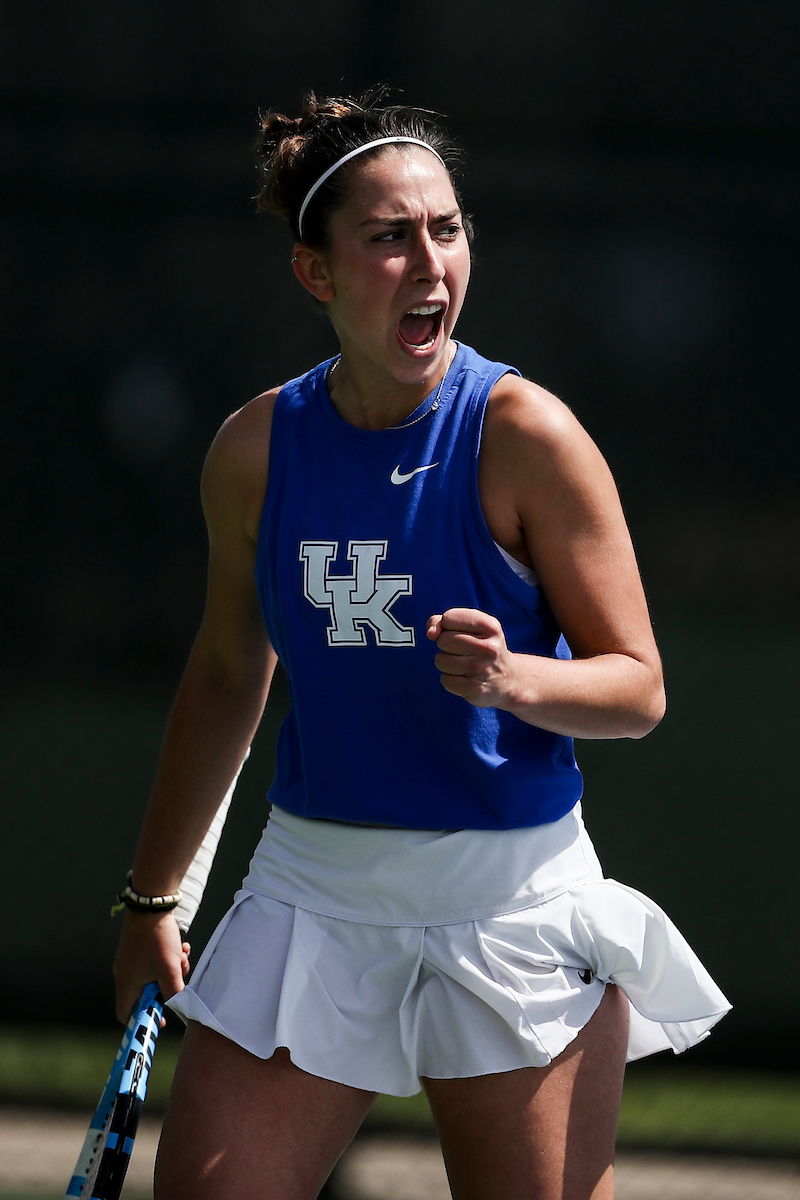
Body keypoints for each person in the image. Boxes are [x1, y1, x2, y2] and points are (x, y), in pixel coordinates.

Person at [113, 92, 730, 1200]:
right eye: (389, 237)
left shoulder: (526, 435)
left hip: (510, 901)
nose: (429, 264)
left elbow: (636, 688)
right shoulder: (253, 451)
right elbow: (223, 672)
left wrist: (511, 679)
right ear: (316, 272)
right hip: (313, 888)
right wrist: (154, 901)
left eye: (445, 230)